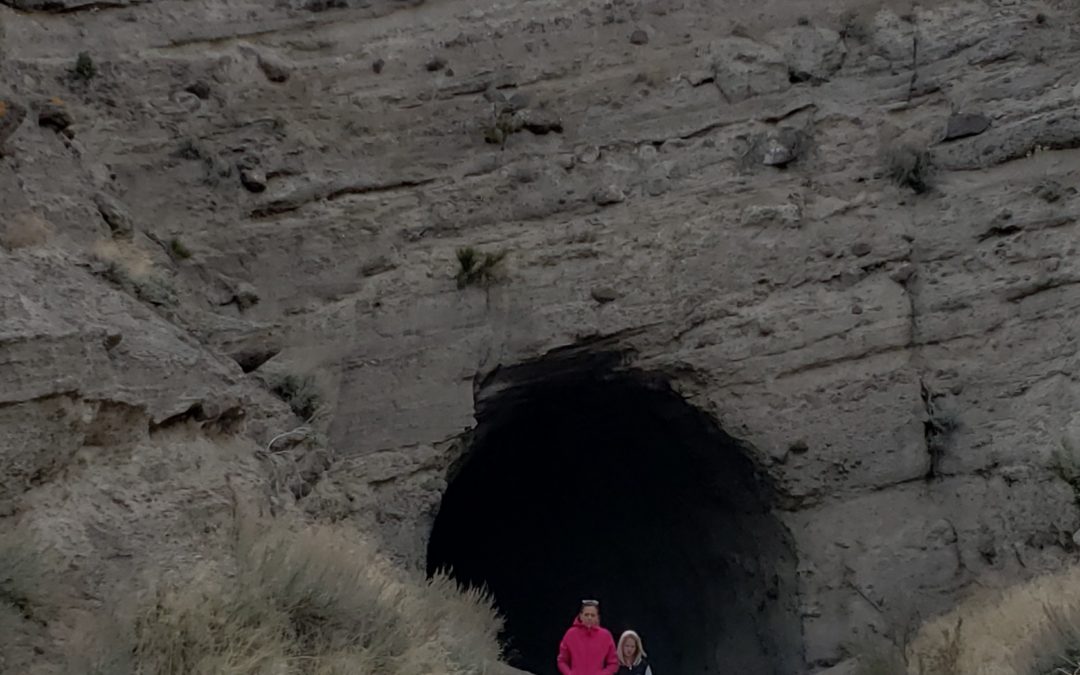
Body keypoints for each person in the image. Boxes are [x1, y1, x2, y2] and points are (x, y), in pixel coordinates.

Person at [557, 599, 619, 675]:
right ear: (580, 616)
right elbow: (562, 661)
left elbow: (613, 663)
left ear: (597, 617)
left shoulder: (606, 636)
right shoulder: (571, 634)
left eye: (592, 615)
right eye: (586, 614)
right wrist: (570, 674)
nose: (589, 618)